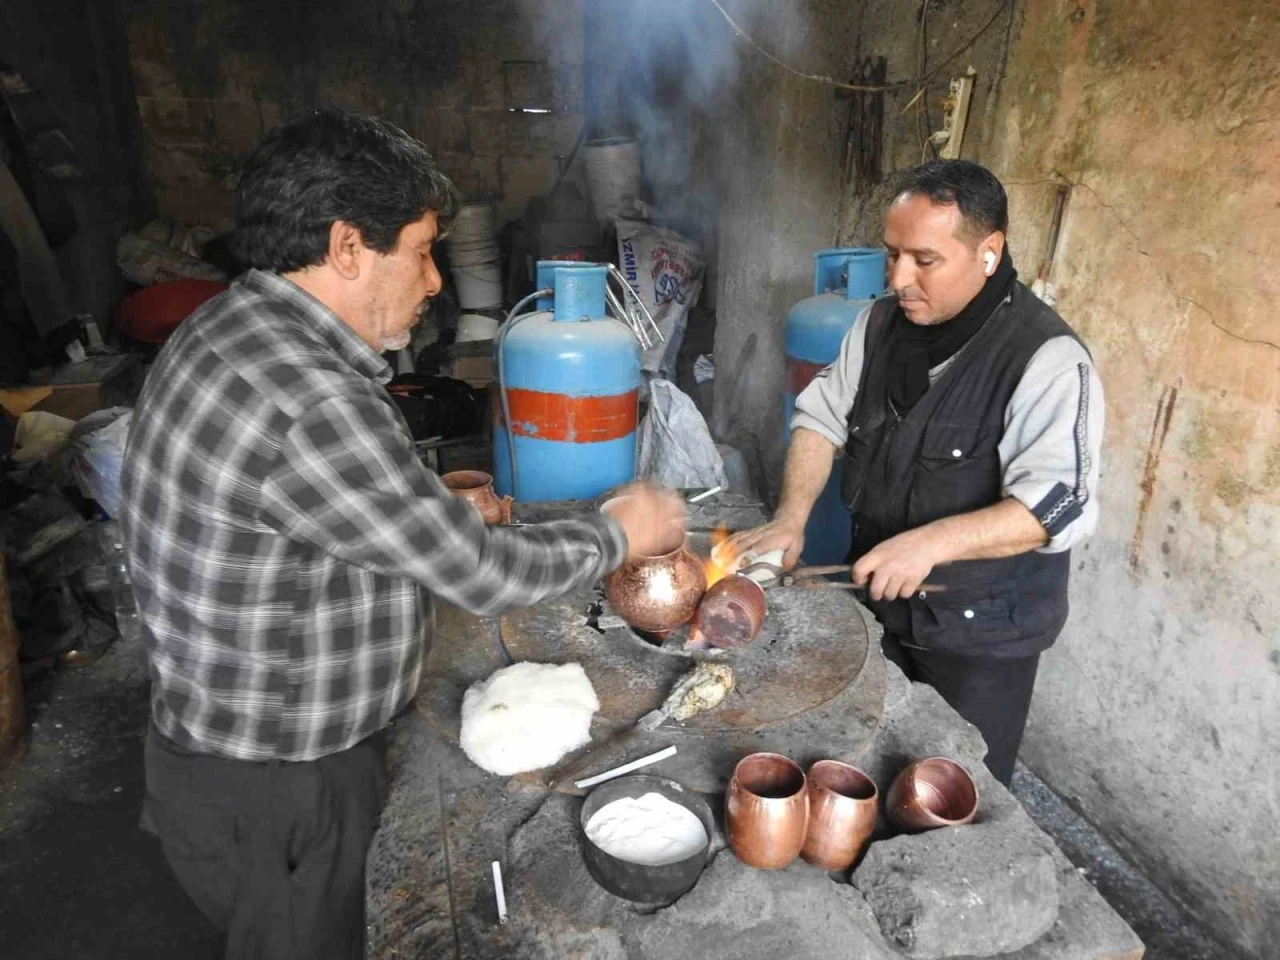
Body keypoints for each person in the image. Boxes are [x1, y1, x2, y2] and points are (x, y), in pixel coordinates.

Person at [118, 109, 684, 959]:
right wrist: (617, 531)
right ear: (349, 247)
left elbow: (296, 510)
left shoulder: (231, 329)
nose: (432, 283)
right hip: (282, 786)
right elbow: (481, 575)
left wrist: (421, 508)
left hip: (219, 752)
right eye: (421, 251)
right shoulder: (314, 396)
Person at [727, 160, 1104, 787]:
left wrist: (929, 543)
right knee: (863, 771)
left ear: (988, 252)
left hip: (980, 638)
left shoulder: (1047, 359)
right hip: (879, 609)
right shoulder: (878, 325)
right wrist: (790, 519)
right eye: (892, 254)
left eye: (923, 260)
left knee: (949, 793)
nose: (899, 278)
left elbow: (1055, 508)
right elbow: (820, 418)